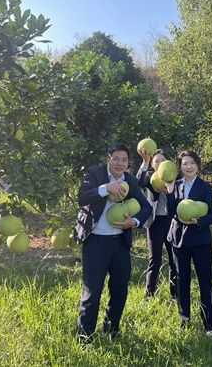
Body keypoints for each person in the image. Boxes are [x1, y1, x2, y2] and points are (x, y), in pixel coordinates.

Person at [73, 143, 152, 341]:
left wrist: (133, 222)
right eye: (116, 158)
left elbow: (146, 207)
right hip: (95, 243)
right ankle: (85, 335)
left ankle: (111, 331)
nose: (120, 163)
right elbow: (82, 198)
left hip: (119, 244)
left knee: (119, 289)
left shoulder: (130, 181)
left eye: (124, 160)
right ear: (108, 159)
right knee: (92, 290)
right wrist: (105, 188)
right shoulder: (95, 174)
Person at [165, 150, 212, 337]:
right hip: (179, 240)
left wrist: (199, 221)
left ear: (198, 165)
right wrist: (170, 192)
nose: (189, 166)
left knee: (205, 281)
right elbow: (171, 212)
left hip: (200, 240)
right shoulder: (175, 185)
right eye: (185, 163)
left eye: (192, 163)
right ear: (180, 167)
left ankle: (209, 324)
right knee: (182, 280)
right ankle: (184, 318)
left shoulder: (204, 187)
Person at [136, 148, 178, 300]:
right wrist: (144, 162)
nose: (160, 163)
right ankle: (149, 296)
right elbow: (137, 182)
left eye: (163, 160)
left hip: (172, 222)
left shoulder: (175, 178)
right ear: (152, 165)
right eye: (156, 161)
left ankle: (175, 295)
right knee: (155, 260)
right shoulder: (149, 177)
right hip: (155, 223)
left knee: (174, 260)